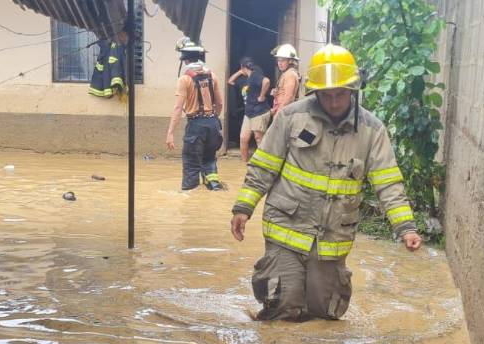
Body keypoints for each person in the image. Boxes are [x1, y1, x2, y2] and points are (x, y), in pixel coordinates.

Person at [229, 44, 422, 321]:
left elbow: (388, 183)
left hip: (333, 238)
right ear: (314, 91)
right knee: (282, 308)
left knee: (324, 316)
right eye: (326, 95)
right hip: (286, 228)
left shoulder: (372, 130)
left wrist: (406, 228)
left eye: (340, 94)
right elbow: (263, 167)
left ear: (353, 90)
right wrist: (243, 208)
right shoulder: (290, 117)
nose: (333, 102)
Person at [166, 37, 224, 191]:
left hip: (195, 126)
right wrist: (213, 119)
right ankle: (214, 189)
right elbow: (220, 104)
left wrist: (170, 133)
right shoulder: (213, 75)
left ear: (184, 58)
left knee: (191, 165)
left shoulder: (184, 79)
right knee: (209, 161)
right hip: (213, 124)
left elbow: (178, 108)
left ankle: (190, 201)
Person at [226, 57, 271, 162]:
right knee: (243, 138)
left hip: (259, 111)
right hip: (249, 112)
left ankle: (263, 163)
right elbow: (230, 81)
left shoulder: (255, 75)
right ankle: (244, 162)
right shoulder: (244, 78)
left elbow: (266, 81)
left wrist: (262, 96)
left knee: (259, 138)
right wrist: (241, 71)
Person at [270, 44, 301, 114]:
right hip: (282, 112)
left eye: (283, 60)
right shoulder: (286, 74)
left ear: (290, 61)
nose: (280, 63)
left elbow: (289, 97)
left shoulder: (290, 75)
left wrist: (278, 114)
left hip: (284, 115)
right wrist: (277, 92)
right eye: (278, 60)